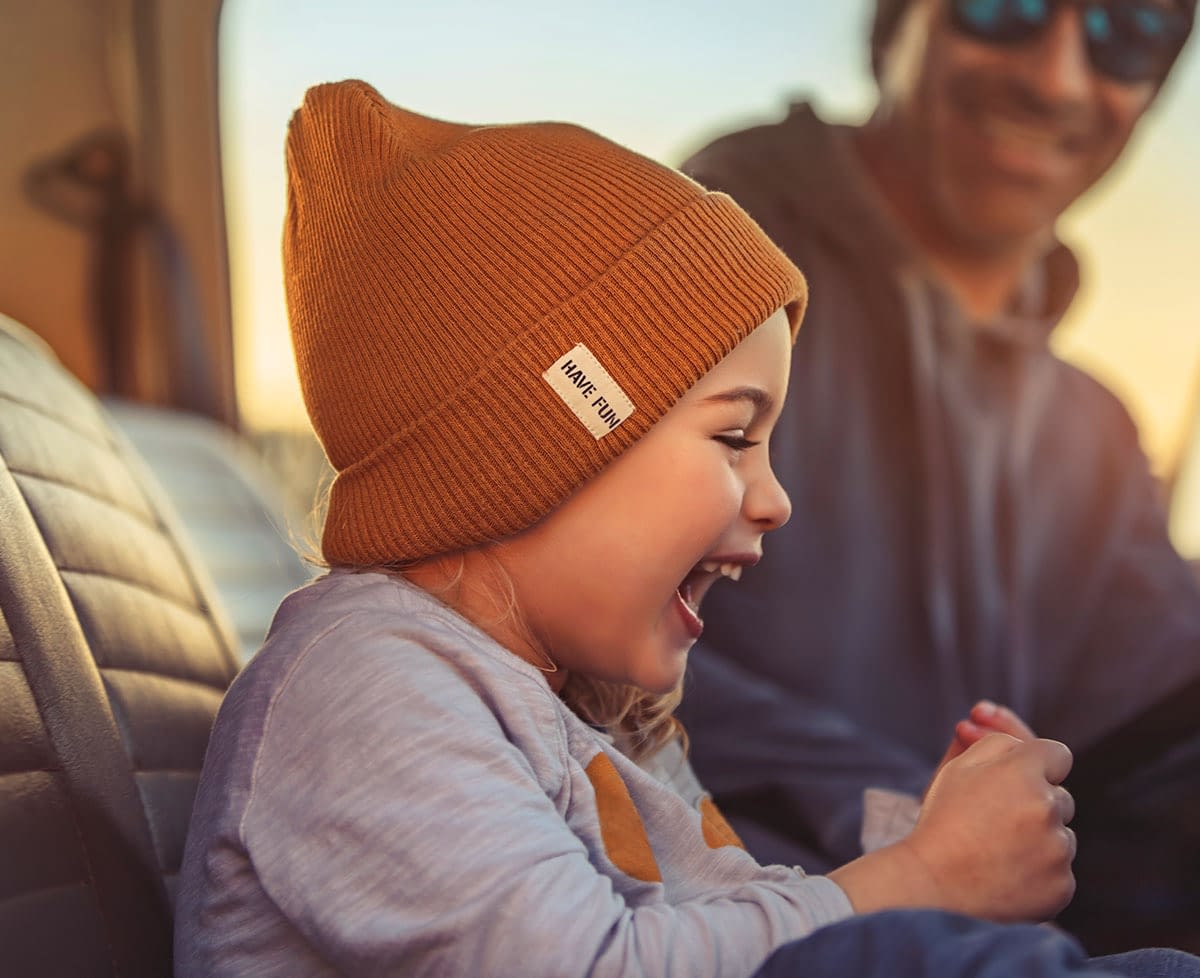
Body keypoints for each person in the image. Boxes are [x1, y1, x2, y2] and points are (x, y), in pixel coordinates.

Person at [172, 79, 1198, 978]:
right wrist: (921, 880)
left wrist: (924, 836)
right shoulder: (365, 688)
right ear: (558, 434)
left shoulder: (597, 714)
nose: (775, 498)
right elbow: (589, 966)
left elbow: (730, 916)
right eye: (735, 437)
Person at [675, 0, 1200, 954]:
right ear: (894, 22)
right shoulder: (686, 287)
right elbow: (529, 658)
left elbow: (1161, 703)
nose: (1057, 78)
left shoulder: (1094, 434)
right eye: (1009, 7)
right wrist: (915, 827)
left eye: (1131, 31)